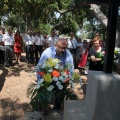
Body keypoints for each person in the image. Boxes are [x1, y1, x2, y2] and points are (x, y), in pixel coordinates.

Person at [37, 38, 74, 109]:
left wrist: (67, 82)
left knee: (60, 95)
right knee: (44, 96)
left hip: (61, 80)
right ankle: (43, 108)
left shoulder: (68, 55)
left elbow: (71, 69)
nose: (63, 50)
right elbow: (39, 68)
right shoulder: (47, 53)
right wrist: (40, 82)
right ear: (56, 45)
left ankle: (57, 108)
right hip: (47, 79)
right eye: (62, 48)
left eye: (65, 48)